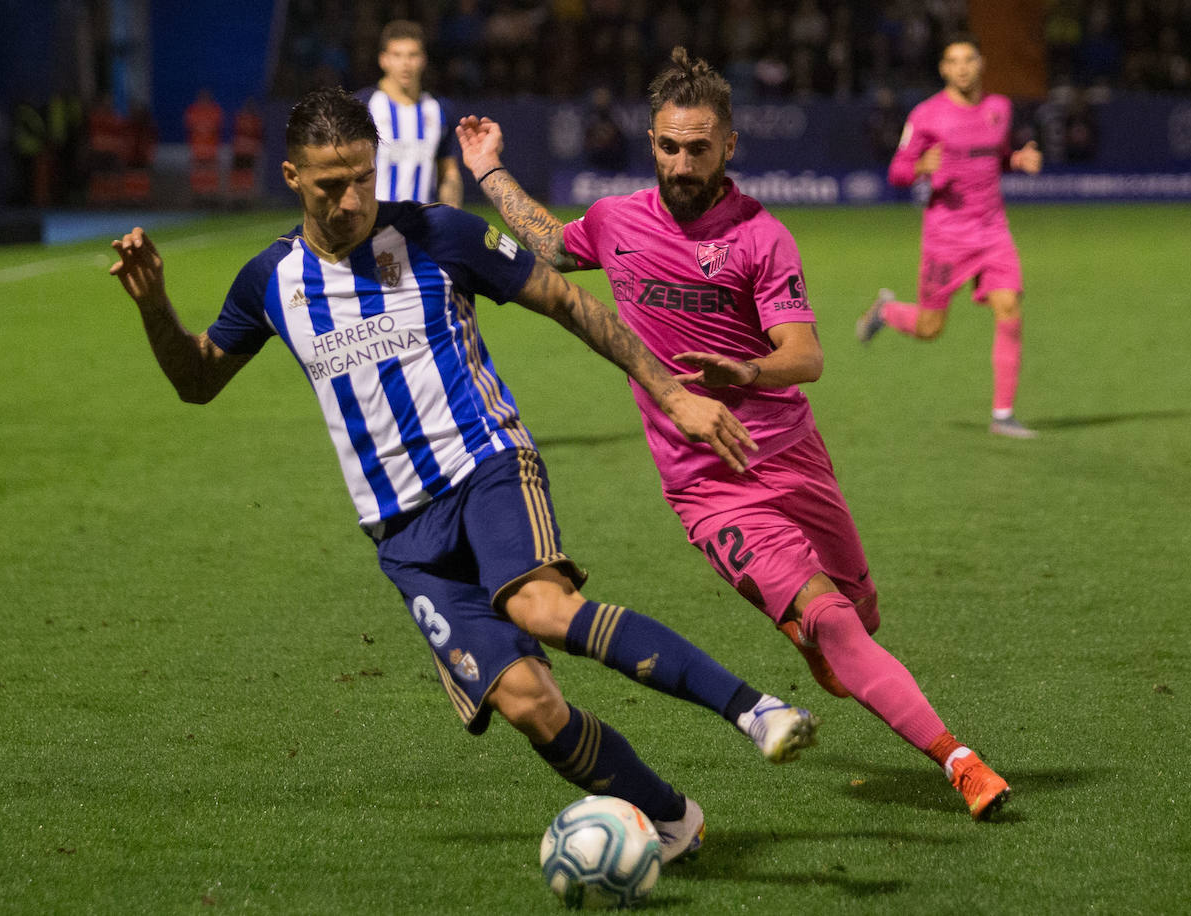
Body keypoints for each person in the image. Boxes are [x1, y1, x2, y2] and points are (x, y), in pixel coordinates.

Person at [108, 86, 819, 864]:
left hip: (484, 463)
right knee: (527, 702)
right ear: (290, 177)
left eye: (362, 178)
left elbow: (570, 304)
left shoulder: (437, 234)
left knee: (543, 607)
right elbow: (197, 380)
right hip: (401, 532)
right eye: (328, 185)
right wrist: (153, 308)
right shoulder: (269, 280)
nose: (350, 199)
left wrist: (674, 393)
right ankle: (672, 820)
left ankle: (753, 709)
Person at [457, 47, 1010, 821]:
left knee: (858, 617)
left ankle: (817, 632)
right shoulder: (617, 222)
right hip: (706, 487)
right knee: (833, 621)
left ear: (729, 147)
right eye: (670, 146)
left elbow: (806, 356)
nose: (683, 163)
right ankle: (961, 760)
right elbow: (548, 242)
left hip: (791, 458)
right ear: (651, 142)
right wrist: (489, 170)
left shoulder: (760, 237)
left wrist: (744, 373)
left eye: (700, 148)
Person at [855, 35, 1043, 439]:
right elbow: (897, 172)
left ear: (981, 64)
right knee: (930, 328)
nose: (961, 67)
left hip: (993, 232)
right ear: (943, 69)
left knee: (1009, 309)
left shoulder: (999, 108)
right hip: (946, 238)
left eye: (968, 60)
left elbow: (995, 157)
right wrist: (922, 164)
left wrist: (1016, 160)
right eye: (952, 61)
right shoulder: (926, 115)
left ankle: (1003, 414)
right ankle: (885, 312)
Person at [355, 20, 463, 208]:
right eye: (397, 55)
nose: (405, 63)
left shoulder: (439, 109)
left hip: (423, 226)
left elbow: (448, 172)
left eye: (412, 55)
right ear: (383, 60)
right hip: (375, 225)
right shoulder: (363, 106)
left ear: (423, 59)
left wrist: (452, 216)